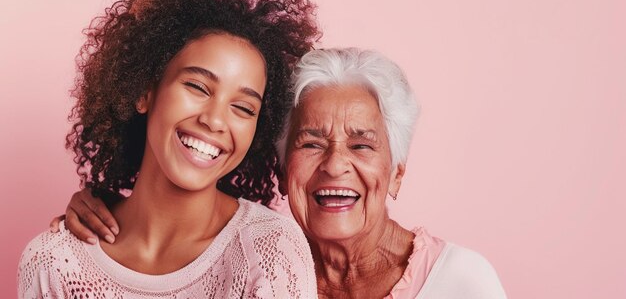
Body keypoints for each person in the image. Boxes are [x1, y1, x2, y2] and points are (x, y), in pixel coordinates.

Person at [55, 48, 507, 298]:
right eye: (310, 143)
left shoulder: (461, 282)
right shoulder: (260, 266)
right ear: (281, 165)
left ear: (397, 175)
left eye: (362, 144)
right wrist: (113, 207)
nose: (334, 164)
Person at [19, 0, 320, 298]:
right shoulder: (53, 261)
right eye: (197, 86)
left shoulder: (270, 253)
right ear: (145, 91)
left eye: (244, 108)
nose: (215, 120)